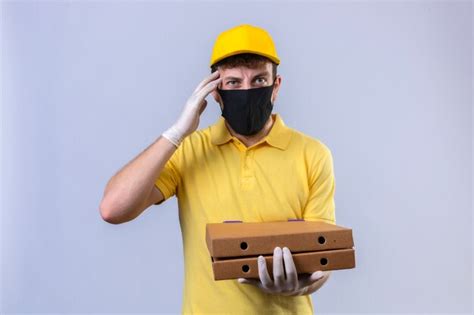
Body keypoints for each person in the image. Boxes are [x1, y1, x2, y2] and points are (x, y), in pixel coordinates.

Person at [99, 24, 337, 314]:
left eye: (259, 79)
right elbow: (113, 209)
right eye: (234, 82)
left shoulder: (312, 154)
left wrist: (300, 285)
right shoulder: (190, 150)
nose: (247, 90)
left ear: (276, 87)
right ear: (215, 93)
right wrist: (177, 132)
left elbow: (324, 258)